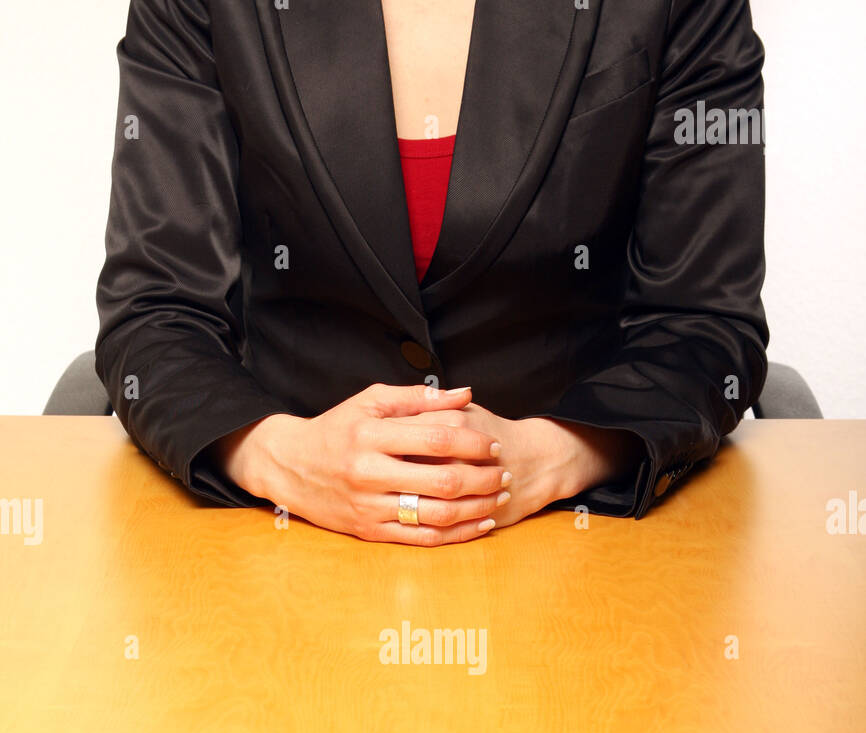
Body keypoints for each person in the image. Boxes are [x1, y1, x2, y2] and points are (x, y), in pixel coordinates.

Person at [95, 0, 769, 545]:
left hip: (577, 533)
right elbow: (157, 308)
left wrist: (553, 456)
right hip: (280, 530)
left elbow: (704, 321)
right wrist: (282, 457)